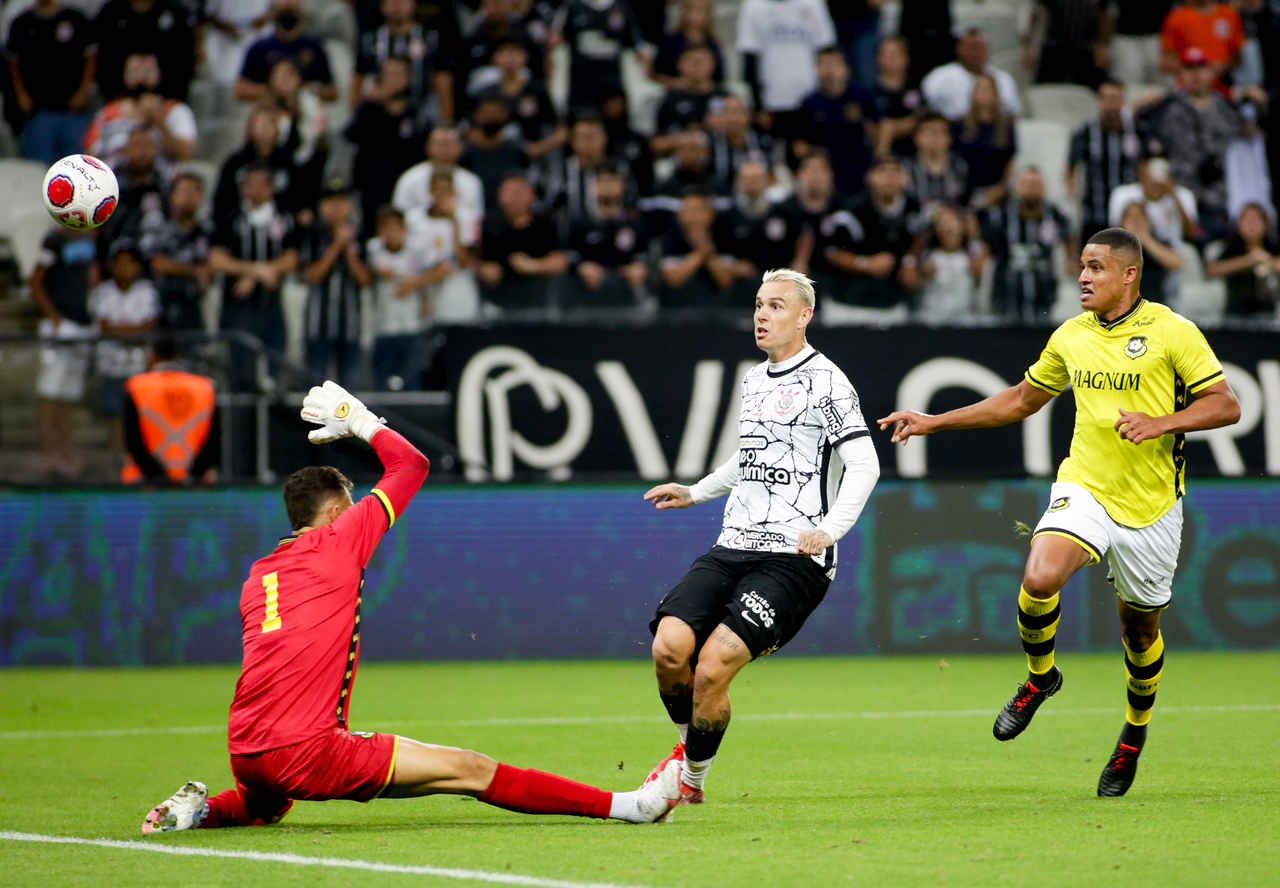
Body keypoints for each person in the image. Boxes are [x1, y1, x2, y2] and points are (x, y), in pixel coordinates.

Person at [141, 380, 683, 832]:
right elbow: (410, 465)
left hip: (249, 752)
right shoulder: (338, 539)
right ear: (335, 512)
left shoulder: (258, 576)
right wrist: (358, 418)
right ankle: (631, 807)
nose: (361, 517)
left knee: (268, 803)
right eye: (351, 508)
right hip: (309, 751)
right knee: (471, 769)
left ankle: (197, 812)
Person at [877, 227, 1241, 797]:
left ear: (1129, 274)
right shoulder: (1071, 336)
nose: (1083, 277)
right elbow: (1021, 400)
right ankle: (1041, 679)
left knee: (1139, 630)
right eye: (1081, 266)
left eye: (1096, 267)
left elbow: (1225, 404)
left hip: (1153, 508)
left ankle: (1132, 738)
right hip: (1085, 486)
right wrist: (934, 421)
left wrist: (1161, 423)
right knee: (1040, 575)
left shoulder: (1173, 331)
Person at [640, 268, 880, 805]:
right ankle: (685, 753)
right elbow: (748, 457)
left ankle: (692, 781)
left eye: (775, 306)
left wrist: (828, 530)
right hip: (734, 545)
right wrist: (695, 491)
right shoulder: (753, 379)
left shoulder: (829, 382)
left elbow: (864, 466)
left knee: (713, 666)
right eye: (757, 306)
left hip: (795, 557)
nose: (762, 316)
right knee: (669, 648)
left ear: (804, 315)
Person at [209, 163, 300, 389]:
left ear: (271, 188)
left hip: (272, 307)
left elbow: (292, 258)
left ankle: (271, 422)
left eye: (262, 184)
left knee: (275, 370)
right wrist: (256, 271)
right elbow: (216, 259)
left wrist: (258, 274)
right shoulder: (230, 217)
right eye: (251, 184)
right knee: (240, 373)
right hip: (237, 309)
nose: (256, 190)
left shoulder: (284, 218)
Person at [31, 226, 98, 479]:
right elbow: (35, 280)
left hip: (81, 324)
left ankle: (66, 450)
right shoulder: (53, 239)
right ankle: (48, 451)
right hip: (59, 324)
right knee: (50, 390)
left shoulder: (91, 237)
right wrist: (53, 317)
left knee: (69, 393)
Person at [90, 240, 159, 473]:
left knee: (140, 419)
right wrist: (133, 331)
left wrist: (120, 331)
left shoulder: (147, 291)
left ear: (138, 266)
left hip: (139, 369)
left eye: (130, 263)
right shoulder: (102, 292)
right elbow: (103, 327)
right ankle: (117, 464)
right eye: (119, 263)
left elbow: (148, 328)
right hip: (111, 367)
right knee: (116, 417)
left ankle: (138, 463)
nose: (124, 268)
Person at [345, 56, 433, 239]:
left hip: (407, 183)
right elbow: (350, 135)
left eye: (399, 74)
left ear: (408, 78)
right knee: (371, 232)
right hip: (372, 184)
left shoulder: (416, 112)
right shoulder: (369, 109)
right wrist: (370, 103)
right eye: (389, 74)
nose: (394, 79)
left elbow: (423, 149)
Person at [299, 178, 372, 384]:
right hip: (317, 324)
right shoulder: (313, 234)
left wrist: (348, 250)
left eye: (342, 202)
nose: (337, 208)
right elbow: (311, 275)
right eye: (331, 202)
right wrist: (336, 246)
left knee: (349, 389)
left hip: (350, 324)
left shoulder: (360, 235)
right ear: (322, 206)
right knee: (315, 386)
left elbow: (365, 278)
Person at [6, 0, 96, 165]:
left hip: (73, 110)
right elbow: (13, 61)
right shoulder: (21, 22)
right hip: (37, 111)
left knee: (78, 166)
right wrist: (20, 94)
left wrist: (84, 91)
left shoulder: (75, 18)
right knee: (39, 167)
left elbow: (90, 56)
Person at [736, 0, 837, 145]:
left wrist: (826, 98)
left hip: (810, 99)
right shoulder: (753, 6)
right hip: (772, 101)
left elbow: (827, 52)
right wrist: (759, 106)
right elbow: (750, 59)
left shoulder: (814, 4)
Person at [121, 336, 219, 485]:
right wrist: (193, 476)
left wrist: (158, 477)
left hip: (144, 485)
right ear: (179, 356)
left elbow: (133, 441)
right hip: (195, 487)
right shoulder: (205, 387)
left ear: (153, 355)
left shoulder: (137, 386)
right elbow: (214, 441)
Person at [982, 167, 1075, 323]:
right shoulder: (1002, 214)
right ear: (1018, 186)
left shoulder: (1054, 213)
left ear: (1044, 187)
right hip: (1007, 292)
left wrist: (1071, 260)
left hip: (1044, 291)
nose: (1032, 188)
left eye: (1036, 184)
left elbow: (1070, 237)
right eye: (1027, 183)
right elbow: (985, 242)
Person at [83, 53, 197, 166]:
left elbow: (186, 154)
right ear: (124, 75)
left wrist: (159, 121)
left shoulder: (176, 111)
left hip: (163, 180)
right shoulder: (106, 114)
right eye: (135, 70)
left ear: (159, 74)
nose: (141, 76)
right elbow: (89, 157)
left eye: (147, 70)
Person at [476, 172, 567, 314]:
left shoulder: (545, 224)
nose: (512, 198)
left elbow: (560, 262)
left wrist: (534, 266)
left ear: (531, 195)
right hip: (496, 302)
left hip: (538, 300)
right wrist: (482, 269)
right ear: (500, 196)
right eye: (508, 192)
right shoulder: (488, 225)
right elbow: (471, 259)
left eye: (518, 192)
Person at [1067, 80, 1143, 244]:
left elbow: (1144, 166)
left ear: (1123, 101)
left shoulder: (1137, 131)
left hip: (1128, 216)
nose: (1111, 105)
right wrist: (1073, 197)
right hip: (1094, 212)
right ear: (1099, 101)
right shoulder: (1085, 133)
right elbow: (1070, 170)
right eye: (1107, 99)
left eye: (1115, 99)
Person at [352, 0, 453, 121]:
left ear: (414, 4)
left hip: (421, 115)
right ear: (382, 5)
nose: (397, 4)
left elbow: (443, 80)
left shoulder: (431, 39)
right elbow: (358, 80)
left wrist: (446, 121)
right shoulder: (369, 41)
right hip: (378, 116)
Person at [142, 171, 214, 332]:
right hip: (159, 306)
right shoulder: (158, 225)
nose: (189, 197)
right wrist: (195, 271)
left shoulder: (206, 230)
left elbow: (213, 264)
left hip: (194, 307)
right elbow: (158, 263)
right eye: (183, 191)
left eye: (195, 191)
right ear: (172, 196)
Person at [393, 126, 486, 247]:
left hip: (460, 245)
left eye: (448, 144)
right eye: (439, 144)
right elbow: (398, 218)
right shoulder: (410, 179)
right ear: (428, 147)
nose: (444, 149)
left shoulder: (472, 182)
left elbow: (476, 221)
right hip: (417, 247)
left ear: (460, 147)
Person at [235, 0, 337, 104]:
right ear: (273, 11)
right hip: (269, 111)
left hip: (303, 111)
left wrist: (304, 91)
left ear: (301, 10)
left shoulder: (314, 47)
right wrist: (274, 90)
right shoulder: (259, 47)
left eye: (292, 8)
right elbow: (241, 90)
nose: (288, 13)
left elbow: (332, 91)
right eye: (283, 8)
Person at [921, 28, 1022, 121]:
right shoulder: (939, 77)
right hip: (949, 132)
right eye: (970, 47)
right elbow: (926, 111)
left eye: (979, 47)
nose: (975, 52)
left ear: (988, 49)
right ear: (959, 48)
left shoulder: (1003, 79)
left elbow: (1012, 112)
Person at [1204, 202, 1280, 319]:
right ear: (1239, 224)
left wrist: (1267, 261)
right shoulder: (1232, 247)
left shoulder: (1272, 246)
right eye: (1247, 220)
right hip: (1236, 310)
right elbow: (1211, 270)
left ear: (1265, 224)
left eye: (1256, 220)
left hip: (1269, 310)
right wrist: (1248, 260)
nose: (1251, 225)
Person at [918, 203, 987, 323]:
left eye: (953, 222)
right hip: (932, 319)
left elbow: (982, 281)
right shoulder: (927, 257)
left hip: (964, 319)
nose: (948, 228)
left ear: (963, 227)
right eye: (943, 223)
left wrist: (973, 233)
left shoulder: (972, 256)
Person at [1023, 0, 1113, 89]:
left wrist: (1102, 46)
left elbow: (1105, 15)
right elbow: (1037, 12)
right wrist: (1029, 48)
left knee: (1088, 92)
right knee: (1047, 90)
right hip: (1055, 48)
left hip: (1087, 49)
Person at [1117, 200, 1182, 307]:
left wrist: (1145, 239)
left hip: (1154, 305)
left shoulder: (1159, 243)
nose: (1136, 222)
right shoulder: (1113, 245)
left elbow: (1177, 263)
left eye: (1140, 217)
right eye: (1131, 218)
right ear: (1122, 222)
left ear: (1148, 221)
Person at [652, 0, 725, 90]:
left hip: (706, 93)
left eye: (701, 11)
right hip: (677, 92)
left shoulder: (713, 43)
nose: (696, 15)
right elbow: (657, 73)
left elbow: (720, 77)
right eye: (692, 10)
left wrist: (707, 85)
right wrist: (674, 83)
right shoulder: (670, 41)